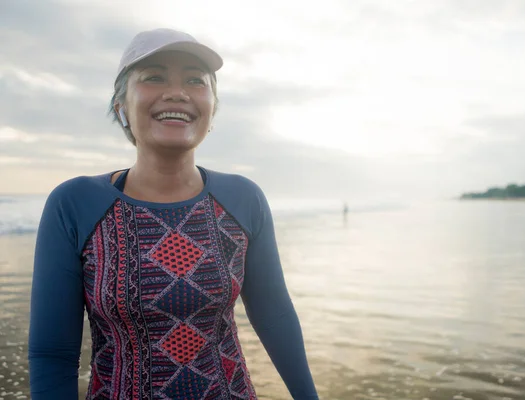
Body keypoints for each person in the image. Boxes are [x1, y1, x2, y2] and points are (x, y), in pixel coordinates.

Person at [28, 28, 319, 400]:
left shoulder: (243, 198)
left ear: (211, 111)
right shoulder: (75, 204)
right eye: (154, 77)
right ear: (121, 107)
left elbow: (275, 317)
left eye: (196, 81)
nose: (177, 92)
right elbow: (53, 353)